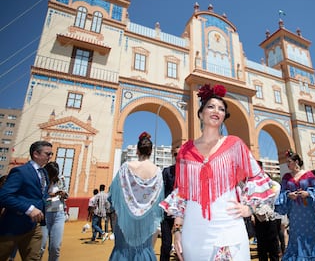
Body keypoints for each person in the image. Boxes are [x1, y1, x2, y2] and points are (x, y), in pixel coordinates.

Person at [160, 83, 275, 261]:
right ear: (201, 113)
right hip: (194, 231)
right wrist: (177, 231)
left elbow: (259, 178)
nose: (216, 110)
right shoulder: (185, 151)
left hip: (229, 226)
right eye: (211, 106)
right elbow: (182, 193)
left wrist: (250, 208)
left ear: (223, 116)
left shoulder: (235, 145)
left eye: (221, 109)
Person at [108, 131, 164, 260]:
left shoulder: (126, 168)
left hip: (125, 221)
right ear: (151, 151)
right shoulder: (157, 172)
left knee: (123, 250)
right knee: (144, 249)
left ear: (137, 150)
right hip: (146, 222)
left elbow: (113, 194)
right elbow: (159, 202)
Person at [0, 140, 52, 260]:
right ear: (36, 154)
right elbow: (4, 196)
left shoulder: (44, 173)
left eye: (51, 154)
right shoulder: (21, 171)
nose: (49, 157)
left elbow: (40, 195)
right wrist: (29, 209)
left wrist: (49, 200)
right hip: (13, 226)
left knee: (33, 258)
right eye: (47, 154)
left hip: (33, 227)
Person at [275, 150, 315, 260]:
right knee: (295, 235)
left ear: (296, 162)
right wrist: (288, 194)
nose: (287, 164)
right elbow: (282, 192)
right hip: (295, 212)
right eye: (287, 162)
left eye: (289, 161)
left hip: (308, 211)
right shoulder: (286, 177)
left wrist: (308, 193)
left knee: (310, 233)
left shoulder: (309, 175)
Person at [253, 161, 281, 261]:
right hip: (259, 218)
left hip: (270, 217)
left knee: (273, 245)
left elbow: (276, 188)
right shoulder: (252, 183)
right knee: (261, 246)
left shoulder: (270, 182)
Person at [40, 161, 68, 261]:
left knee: (55, 247)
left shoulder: (60, 180)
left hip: (59, 213)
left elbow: (66, 195)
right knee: (40, 247)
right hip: (44, 214)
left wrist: (63, 194)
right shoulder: (41, 181)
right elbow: (39, 197)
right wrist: (51, 195)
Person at [160, 145, 180, 261]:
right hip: (167, 213)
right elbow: (161, 191)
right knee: (166, 245)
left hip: (182, 214)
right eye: (176, 154)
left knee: (182, 245)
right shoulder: (166, 171)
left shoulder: (188, 173)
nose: (178, 157)